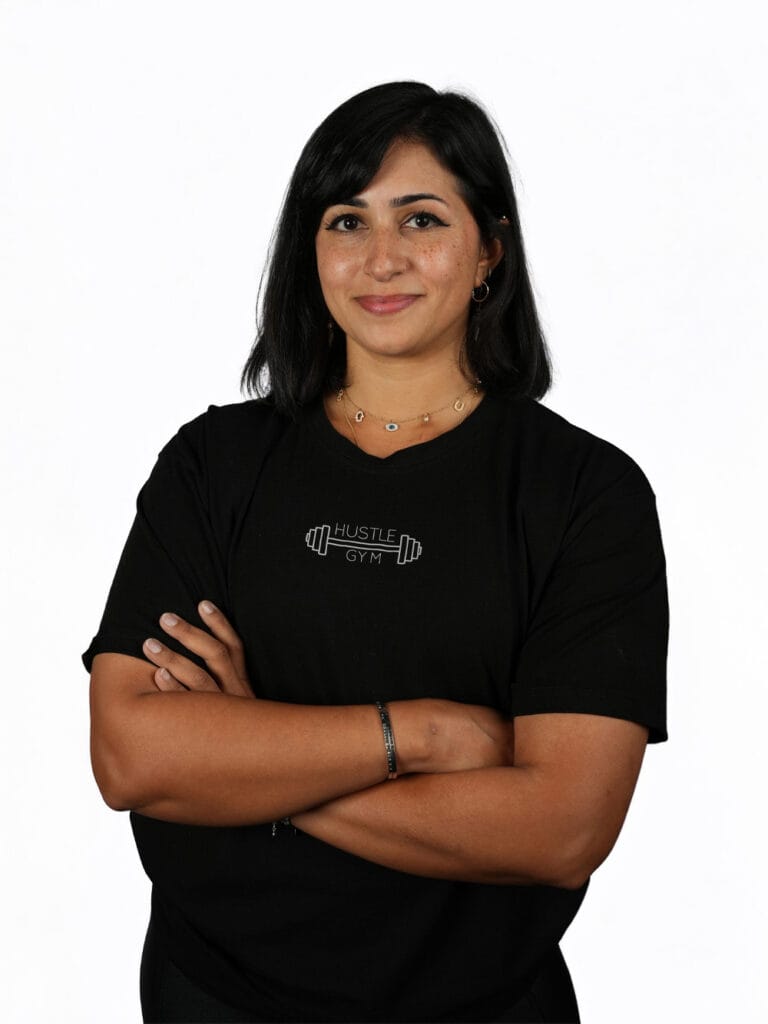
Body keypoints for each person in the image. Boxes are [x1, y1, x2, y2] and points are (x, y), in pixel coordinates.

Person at [84, 81, 668, 1023]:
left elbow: (561, 827)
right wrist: (425, 736)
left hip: (484, 1004)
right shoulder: (214, 466)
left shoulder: (583, 495)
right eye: (346, 221)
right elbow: (131, 756)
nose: (380, 258)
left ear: (491, 252)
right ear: (309, 251)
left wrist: (251, 760)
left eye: (423, 218)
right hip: (216, 995)